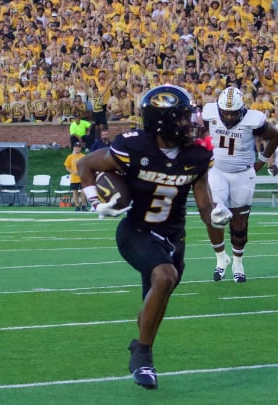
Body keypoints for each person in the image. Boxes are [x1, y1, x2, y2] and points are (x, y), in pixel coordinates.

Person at [77, 84, 221, 389]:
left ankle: (138, 344)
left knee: (150, 311)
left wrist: (218, 216)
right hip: (136, 231)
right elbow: (85, 164)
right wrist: (95, 202)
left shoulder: (196, 155)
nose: (189, 122)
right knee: (164, 277)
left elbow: (205, 204)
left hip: (173, 237)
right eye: (181, 117)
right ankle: (143, 357)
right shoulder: (134, 147)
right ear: (162, 121)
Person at [202, 86, 278, 283]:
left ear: (242, 109)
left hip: (243, 173)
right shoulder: (209, 112)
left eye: (232, 113)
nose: (228, 117)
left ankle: (238, 261)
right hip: (217, 171)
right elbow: (197, 132)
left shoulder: (253, 119)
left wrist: (261, 160)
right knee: (215, 215)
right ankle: (221, 259)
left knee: (239, 221)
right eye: (225, 112)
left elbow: (275, 136)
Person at [63, 143, 87, 211]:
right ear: (73, 148)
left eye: (79, 147)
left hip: (82, 177)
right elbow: (67, 167)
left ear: (80, 148)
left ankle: (84, 205)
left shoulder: (83, 156)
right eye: (76, 147)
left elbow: (86, 166)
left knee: (83, 191)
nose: (77, 148)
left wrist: (82, 172)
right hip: (74, 177)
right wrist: (73, 172)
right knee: (75, 192)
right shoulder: (70, 156)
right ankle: (77, 206)